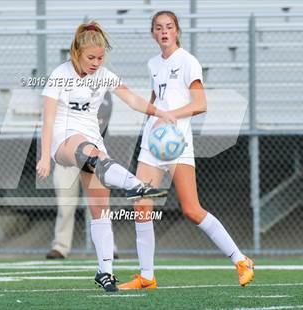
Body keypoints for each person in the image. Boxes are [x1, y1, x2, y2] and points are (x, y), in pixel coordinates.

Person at [118, 11, 255, 290]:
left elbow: (200, 104)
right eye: (158, 28)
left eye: (169, 27)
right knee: (141, 207)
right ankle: (147, 276)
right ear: (153, 33)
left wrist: (169, 114)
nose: (164, 32)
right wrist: (153, 114)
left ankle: (241, 260)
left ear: (177, 31)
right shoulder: (153, 63)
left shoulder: (188, 62)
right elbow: (158, 99)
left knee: (191, 210)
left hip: (177, 143)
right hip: (152, 143)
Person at [36, 21, 175, 292]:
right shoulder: (60, 74)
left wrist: (160, 113)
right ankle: (135, 185)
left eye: (100, 57)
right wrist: (44, 156)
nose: (96, 62)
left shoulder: (104, 74)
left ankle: (105, 272)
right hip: (64, 142)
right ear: (76, 52)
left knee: (100, 209)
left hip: (93, 143)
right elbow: (48, 118)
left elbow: (133, 100)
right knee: (86, 151)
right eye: (91, 57)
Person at [46, 93, 119, 260]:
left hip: (91, 153)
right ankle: (60, 246)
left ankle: (108, 246)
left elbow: (102, 118)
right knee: (65, 203)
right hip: (67, 152)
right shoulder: (64, 87)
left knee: (99, 203)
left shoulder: (102, 91)